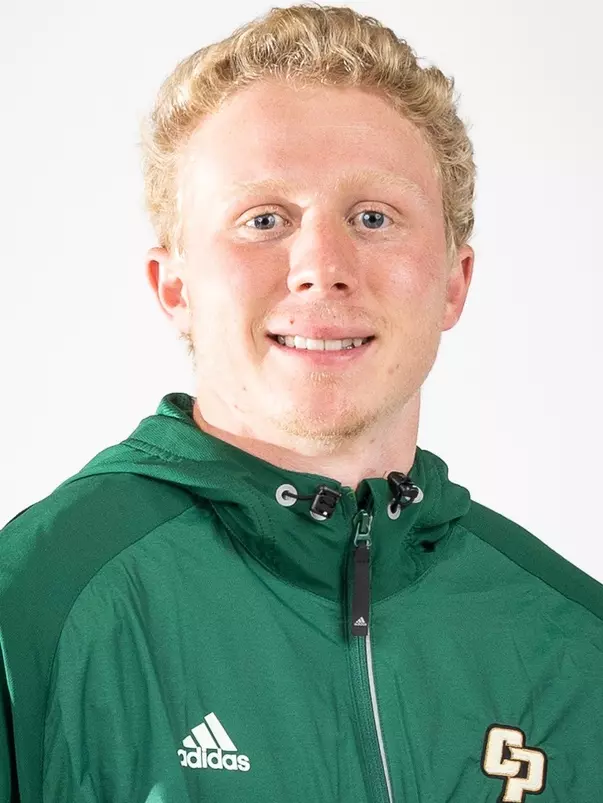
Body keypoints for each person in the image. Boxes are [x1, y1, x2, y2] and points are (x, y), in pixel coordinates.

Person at [1, 4, 602, 801]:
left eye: (372, 217)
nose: (320, 266)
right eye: (263, 220)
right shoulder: (38, 605)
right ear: (173, 286)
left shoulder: (573, 643)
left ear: (454, 281)